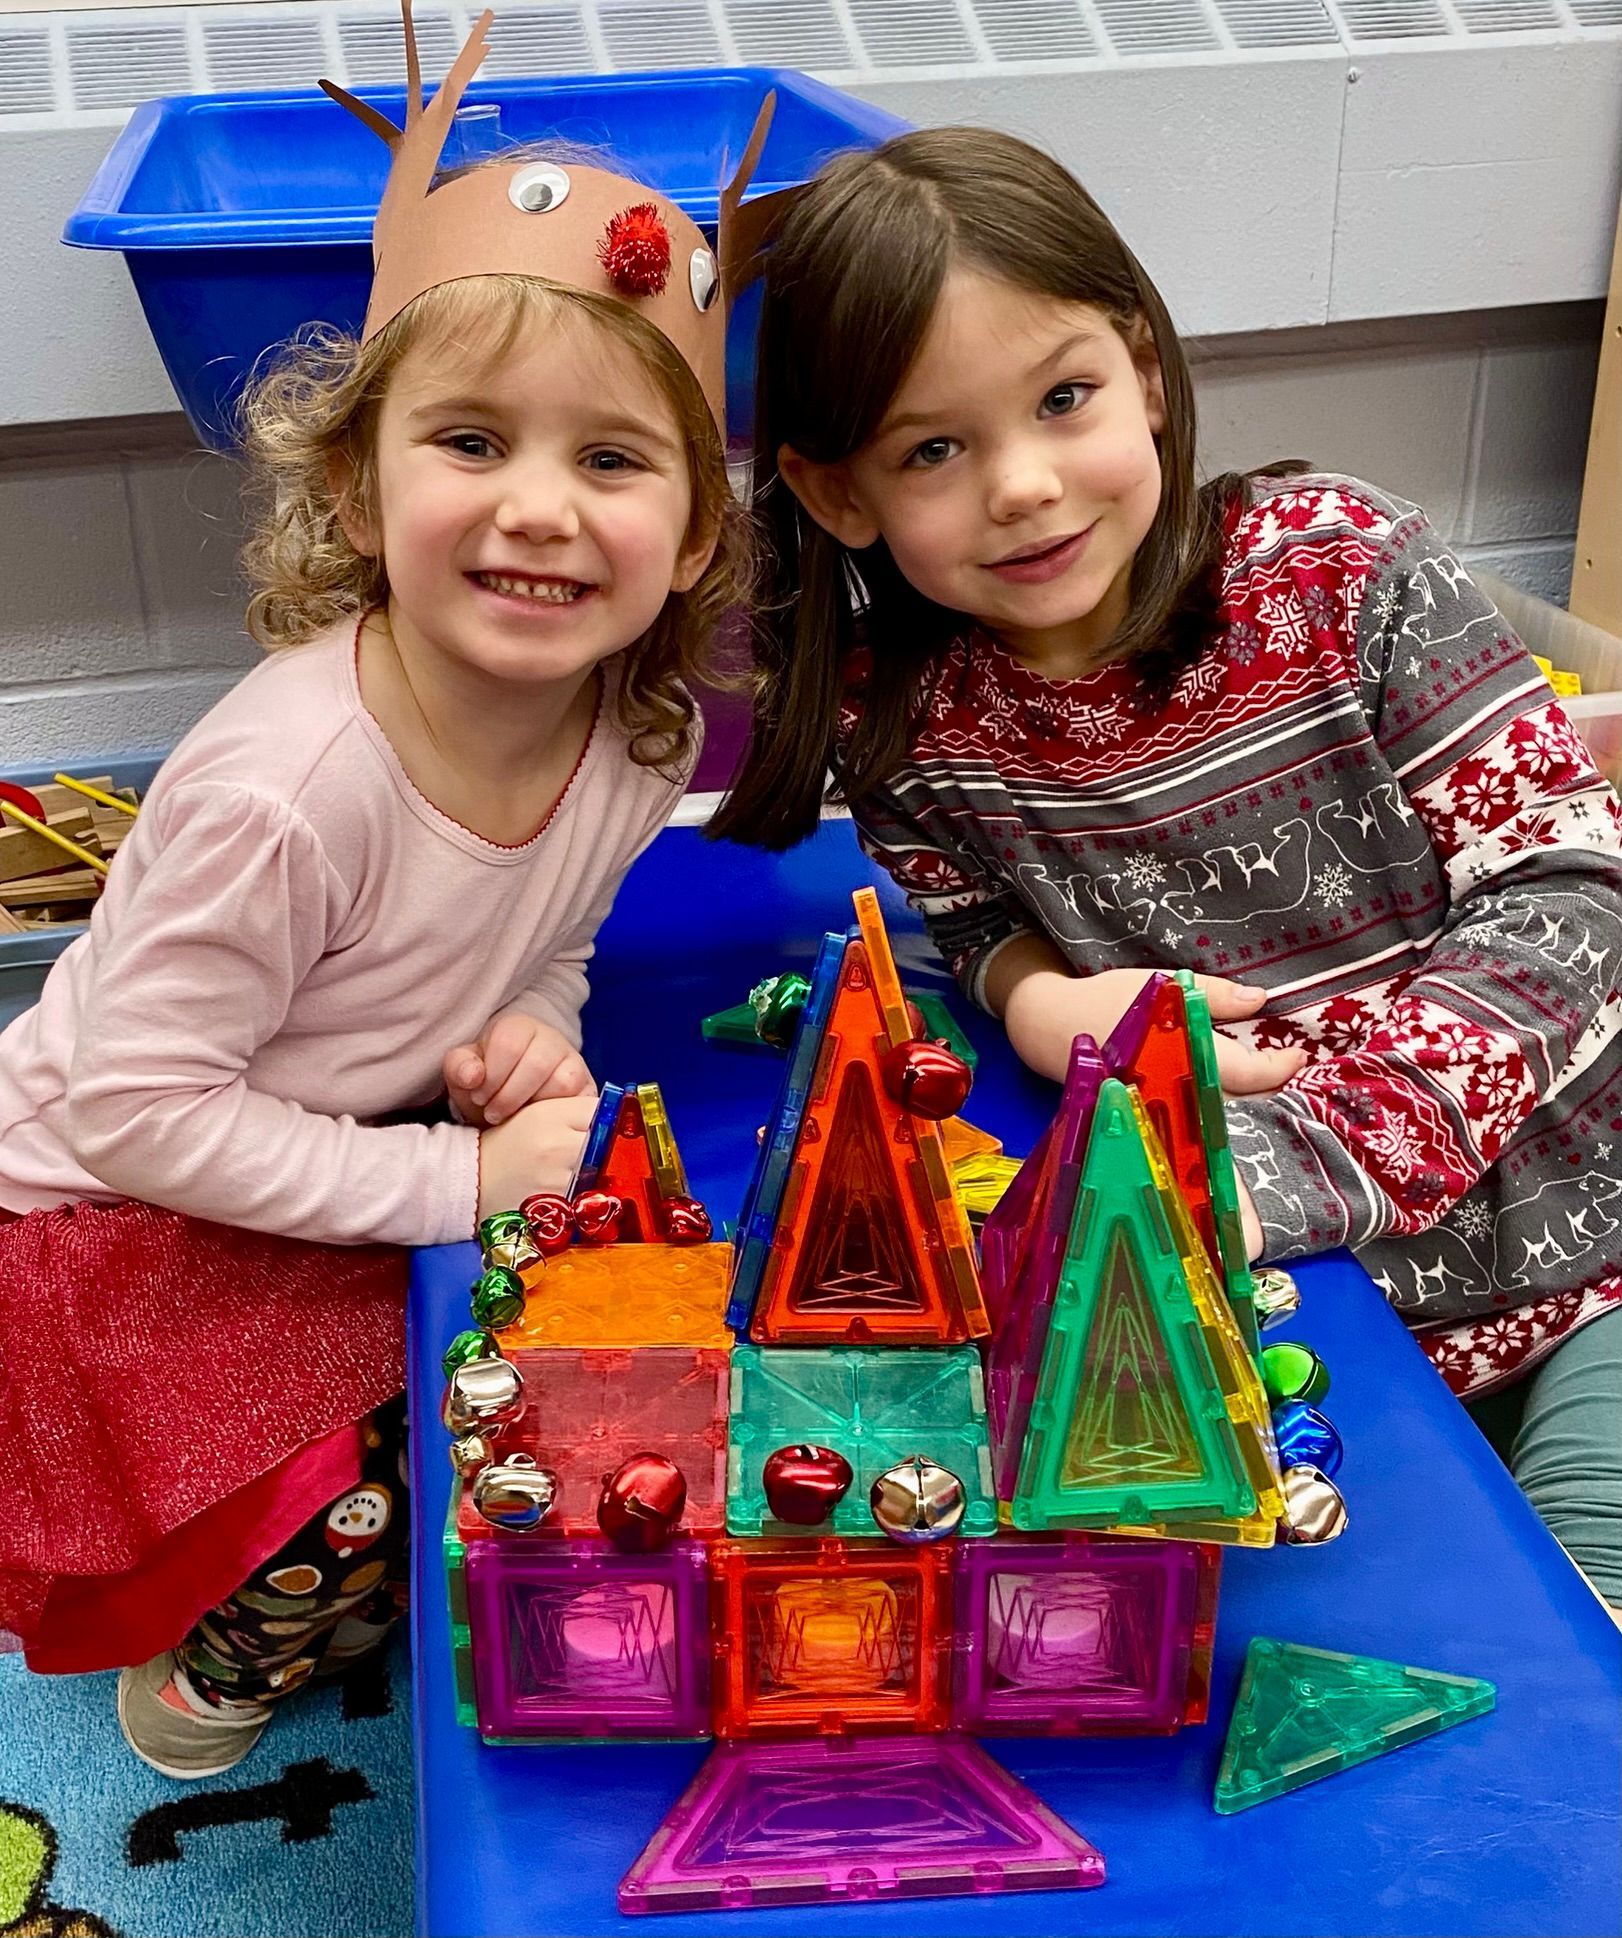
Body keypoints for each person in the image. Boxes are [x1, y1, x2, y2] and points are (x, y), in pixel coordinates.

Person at [710, 127, 1622, 1606]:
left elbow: (1569, 886)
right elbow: (971, 909)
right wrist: (1021, 999)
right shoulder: (899, 714)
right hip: (1308, 1310)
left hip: (1585, 1250)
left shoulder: (1340, 566)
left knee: (1585, 1626)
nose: (1020, 484)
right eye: (933, 448)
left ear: (1140, 368)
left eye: (1060, 398)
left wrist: (1313, 1152)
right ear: (837, 495)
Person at [0, 19, 753, 1775]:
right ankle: (208, 1676)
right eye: (472, 440)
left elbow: (549, 927)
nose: (541, 511)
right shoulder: (286, 790)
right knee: (421, 1454)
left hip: (325, 1125)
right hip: (103, 1220)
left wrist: (523, 1032)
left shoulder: (635, 738)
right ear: (355, 480)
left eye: (617, 462)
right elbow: (131, 1106)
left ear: (697, 536)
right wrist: (451, 1177)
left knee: (609, 1353)